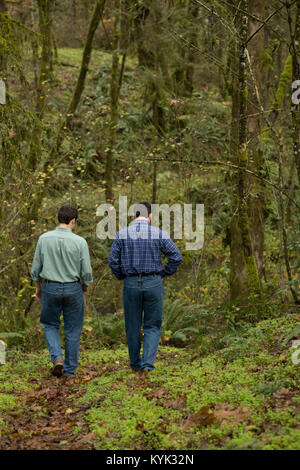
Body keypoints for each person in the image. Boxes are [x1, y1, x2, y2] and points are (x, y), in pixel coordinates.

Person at [108, 202, 182, 373]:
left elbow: (112, 261)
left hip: (131, 283)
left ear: (133, 216)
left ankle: (135, 364)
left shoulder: (122, 234)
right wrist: (163, 273)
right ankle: (147, 364)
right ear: (150, 216)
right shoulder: (158, 234)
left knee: (132, 325)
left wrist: (122, 276)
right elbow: (176, 257)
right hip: (154, 283)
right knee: (152, 325)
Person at [31, 205, 93, 377]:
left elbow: (36, 268)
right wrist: (85, 286)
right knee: (73, 329)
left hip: (50, 287)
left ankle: (57, 357)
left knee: (50, 325)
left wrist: (38, 287)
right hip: (73, 288)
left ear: (58, 219)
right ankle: (70, 370)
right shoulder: (80, 242)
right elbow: (86, 271)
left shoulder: (43, 239)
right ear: (73, 221)